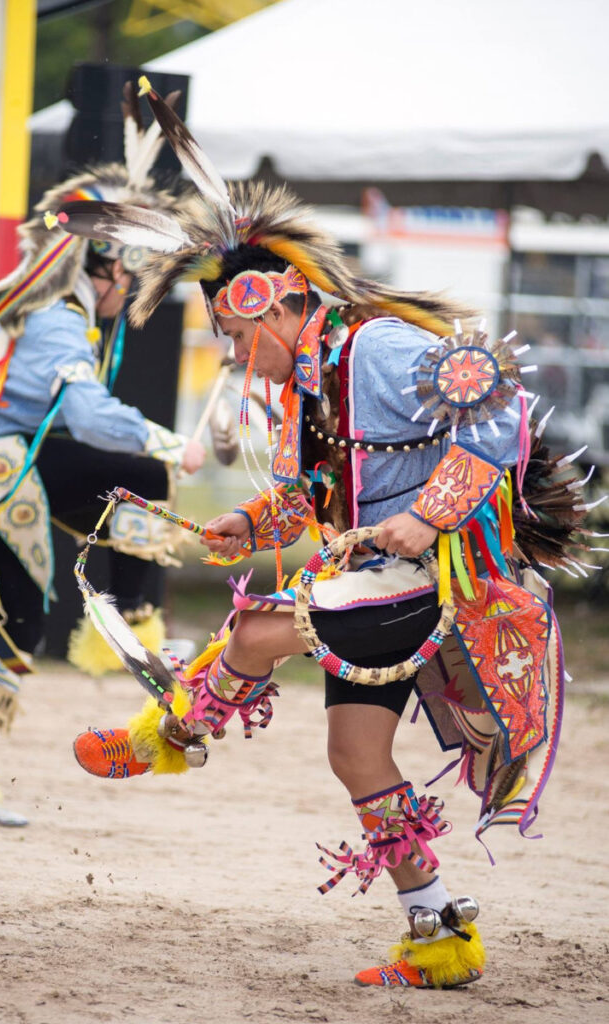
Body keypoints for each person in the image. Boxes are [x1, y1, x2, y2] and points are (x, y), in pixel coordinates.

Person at [62, 81, 591, 989]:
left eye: (236, 335)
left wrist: (425, 517)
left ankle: (169, 737)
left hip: (435, 577)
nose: (235, 356)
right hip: (379, 572)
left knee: (260, 630)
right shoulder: (308, 385)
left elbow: (497, 410)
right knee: (356, 754)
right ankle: (438, 934)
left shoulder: (375, 349)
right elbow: (320, 490)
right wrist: (250, 520)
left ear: (275, 305)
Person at [0, 87, 205, 829]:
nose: (138, 287)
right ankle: (137, 624)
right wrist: (168, 442)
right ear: (108, 265)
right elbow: (86, 414)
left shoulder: (32, 311)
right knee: (138, 478)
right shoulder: (58, 318)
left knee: (17, 627)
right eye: (135, 270)